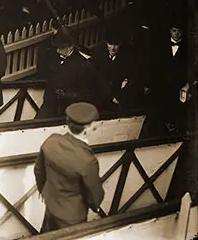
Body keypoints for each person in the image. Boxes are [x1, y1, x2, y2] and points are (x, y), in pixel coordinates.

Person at [34, 102, 105, 233]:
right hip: (72, 216)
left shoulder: (51, 141)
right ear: (86, 130)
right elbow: (94, 194)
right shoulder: (87, 161)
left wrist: (45, 191)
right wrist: (96, 207)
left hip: (51, 206)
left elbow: (38, 171)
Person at [35, 27, 97, 119]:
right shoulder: (53, 57)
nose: (58, 50)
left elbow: (86, 93)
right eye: (57, 47)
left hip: (69, 110)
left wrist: (68, 94)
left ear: (71, 46)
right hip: (50, 105)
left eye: (61, 47)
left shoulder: (82, 64)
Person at [91, 28, 138, 111]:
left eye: (116, 45)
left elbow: (131, 80)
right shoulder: (98, 56)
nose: (112, 48)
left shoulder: (128, 59)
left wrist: (120, 96)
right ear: (106, 43)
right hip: (102, 97)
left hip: (119, 99)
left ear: (120, 44)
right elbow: (96, 79)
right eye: (110, 44)